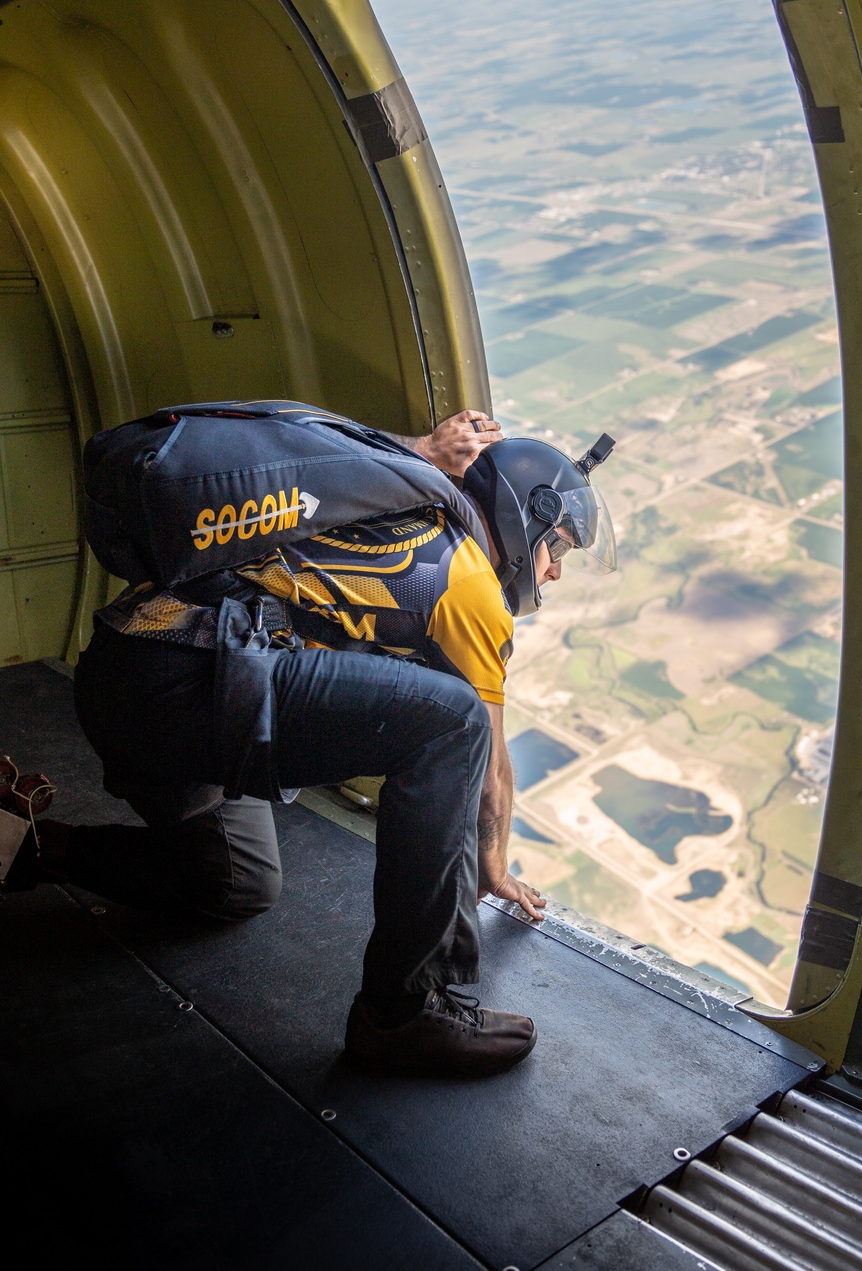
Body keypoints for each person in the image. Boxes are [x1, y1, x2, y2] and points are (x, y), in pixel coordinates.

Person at [7, 408, 617, 1076]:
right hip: (185, 684)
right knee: (454, 720)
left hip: (129, 671)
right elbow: (489, 766)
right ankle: (403, 1012)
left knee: (236, 883)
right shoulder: (467, 579)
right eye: (556, 548)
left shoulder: (393, 504)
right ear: (524, 518)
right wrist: (493, 866)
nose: (553, 572)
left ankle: (27, 845)